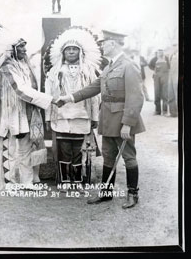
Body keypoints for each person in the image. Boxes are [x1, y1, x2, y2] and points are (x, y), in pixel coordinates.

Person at [56, 30, 145, 209]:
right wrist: (69, 97)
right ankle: (106, 194)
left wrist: (128, 123)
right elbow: (93, 88)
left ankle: (133, 194)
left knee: (128, 157)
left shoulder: (129, 66)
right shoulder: (108, 67)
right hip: (108, 120)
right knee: (108, 157)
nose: (102, 46)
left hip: (122, 121)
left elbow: (136, 97)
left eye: (104, 43)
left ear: (113, 43)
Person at [0, 22, 53, 191]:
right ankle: (9, 183)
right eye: (21, 47)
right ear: (12, 49)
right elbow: (21, 90)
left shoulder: (25, 65)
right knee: (10, 147)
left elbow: (31, 87)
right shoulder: (6, 67)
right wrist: (49, 99)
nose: (24, 50)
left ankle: (27, 182)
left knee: (25, 147)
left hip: (26, 111)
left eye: (25, 47)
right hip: (10, 114)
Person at [45, 27, 101, 187]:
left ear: (80, 52)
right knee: (63, 150)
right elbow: (49, 97)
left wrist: (95, 117)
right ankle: (64, 181)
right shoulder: (54, 73)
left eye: (74, 49)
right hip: (61, 117)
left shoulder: (88, 72)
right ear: (62, 53)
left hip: (82, 117)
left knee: (78, 151)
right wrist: (48, 117)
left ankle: (77, 180)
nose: (71, 52)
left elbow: (94, 96)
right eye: (68, 49)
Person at [149, 49, 170, 115]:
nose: (160, 53)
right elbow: (149, 65)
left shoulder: (166, 58)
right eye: (159, 52)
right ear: (157, 52)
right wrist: (154, 70)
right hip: (156, 77)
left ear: (163, 52)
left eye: (161, 52)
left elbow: (169, 66)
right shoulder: (154, 59)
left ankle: (165, 111)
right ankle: (157, 111)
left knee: (165, 94)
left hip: (165, 77)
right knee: (157, 93)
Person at [168, 44, 178, 117]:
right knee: (171, 95)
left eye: (175, 46)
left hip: (177, 77)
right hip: (171, 77)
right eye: (173, 46)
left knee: (178, 95)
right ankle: (173, 113)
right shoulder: (170, 56)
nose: (173, 47)